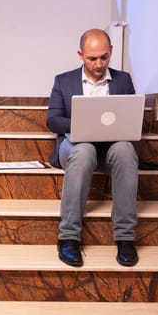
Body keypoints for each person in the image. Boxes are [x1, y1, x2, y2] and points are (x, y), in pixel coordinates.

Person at [46, 28, 139, 267]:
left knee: (126, 150)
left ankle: (125, 236)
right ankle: (68, 237)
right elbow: (53, 120)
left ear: (111, 53)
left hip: (110, 150)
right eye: (92, 58)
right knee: (85, 149)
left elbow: (130, 119)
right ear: (80, 55)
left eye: (104, 57)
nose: (99, 64)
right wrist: (83, 124)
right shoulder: (63, 81)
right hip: (75, 148)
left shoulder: (123, 80)